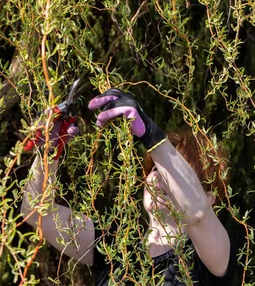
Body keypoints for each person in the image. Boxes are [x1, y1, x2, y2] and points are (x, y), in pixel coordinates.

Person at [21, 88, 234, 285]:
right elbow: (36, 212)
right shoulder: (115, 248)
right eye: (155, 170)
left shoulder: (211, 255)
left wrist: (151, 134)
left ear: (209, 197)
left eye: (172, 174)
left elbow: (197, 213)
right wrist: (49, 152)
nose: (159, 178)